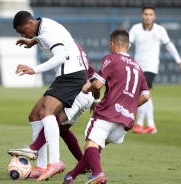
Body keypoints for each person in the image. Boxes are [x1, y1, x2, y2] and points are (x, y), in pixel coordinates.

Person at [62, 29, 150, 184]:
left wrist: (86, 88)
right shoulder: (138, 67)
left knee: (91, 144)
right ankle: (70, 176)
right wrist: (129, 106)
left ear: (112, 44)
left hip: (107, 113)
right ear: (128, 45)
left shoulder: (111, 58)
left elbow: (97, 84)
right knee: (94, 150)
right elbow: (146, 95)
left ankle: (97, 174)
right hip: (125, 121)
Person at [12, 11, 87, 181]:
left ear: (31, 23)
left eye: (23, 31)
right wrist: (33, 41)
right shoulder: (43, 26)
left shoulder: (47, 32)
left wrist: (34, 69)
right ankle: (40, 165)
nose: (23, 34)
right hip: (67, 75)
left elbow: (60, 56)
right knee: (34, 115)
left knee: (47, 113)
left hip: (71, 75)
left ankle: (55, 162)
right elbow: (50, 36)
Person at [8, 42, 99, 179]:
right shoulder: (76, 48)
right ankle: (83, 163)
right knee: (60, 128)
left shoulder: (64, 47)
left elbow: (92, 78)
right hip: (79, 92)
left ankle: (35, 149)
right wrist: (96, 100)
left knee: (53, 119)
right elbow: (92, 75)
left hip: (78, 92)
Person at [129, 5, 181, 134]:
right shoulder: (135, 29)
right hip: (138, 66)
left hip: (151, 66)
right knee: (144, 94)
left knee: (142, 93)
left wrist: (180, 62)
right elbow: (127, 44)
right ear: (141, 15)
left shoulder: (160, 30)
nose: (148, 16)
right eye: (145, 14)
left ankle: (139, 123)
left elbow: (170, 46)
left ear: (154, 16)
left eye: (150, 14)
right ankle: (151, 125)